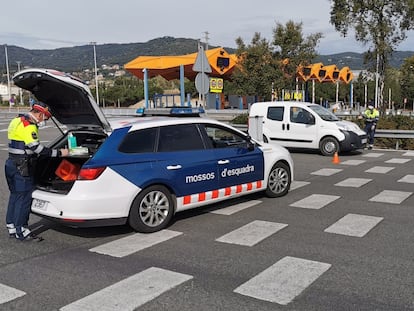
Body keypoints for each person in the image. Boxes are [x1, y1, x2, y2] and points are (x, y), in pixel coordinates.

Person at [5, 102, 69, 241]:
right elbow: (37, 149)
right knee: (24, 198)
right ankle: (21, 231)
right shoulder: (29, 126)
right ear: (40, 114)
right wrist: (60, 153)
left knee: (15, 196)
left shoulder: (16, 120)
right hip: (23, 166)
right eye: (45, 118)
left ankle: (11, 227)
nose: (44, 121)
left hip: (11, 163)